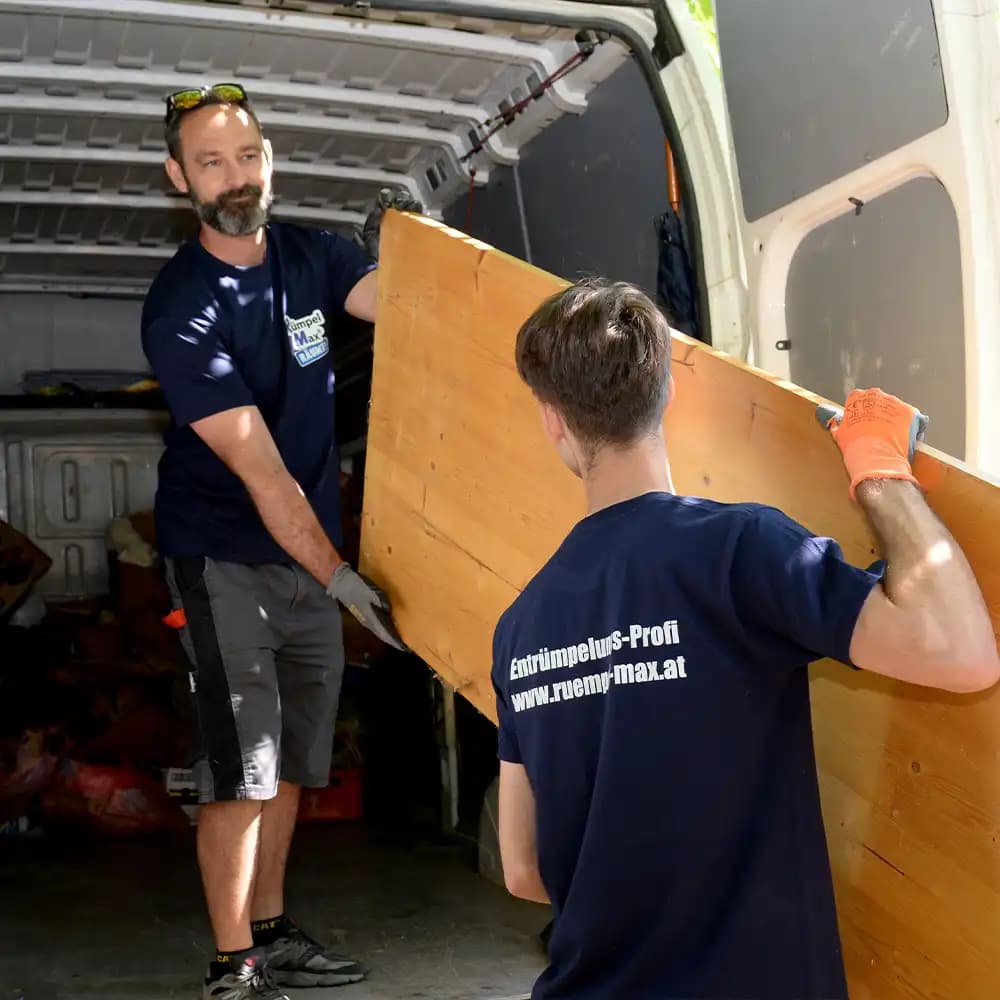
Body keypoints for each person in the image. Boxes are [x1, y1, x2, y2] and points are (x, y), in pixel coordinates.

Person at [491, 279, 999, 999]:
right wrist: (880, 471)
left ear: (552, 420)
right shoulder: (738, 552)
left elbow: (523, 867)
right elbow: (964, 652)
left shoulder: (521, 627)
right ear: (666, 393)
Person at [141, 83, 418, 1000]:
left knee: (297, 758)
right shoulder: (182, 304)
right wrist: (343, 579)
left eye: (248, 157)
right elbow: (262, 474)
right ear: (180, 177)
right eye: (211, 162)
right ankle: (233, 964)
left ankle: (270, 927)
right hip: (224, 554)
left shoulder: (314, 256)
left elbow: (407, 305)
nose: (235, 178)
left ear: (271, 161)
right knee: (241, 766)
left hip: (309, 556)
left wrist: (424, 253)